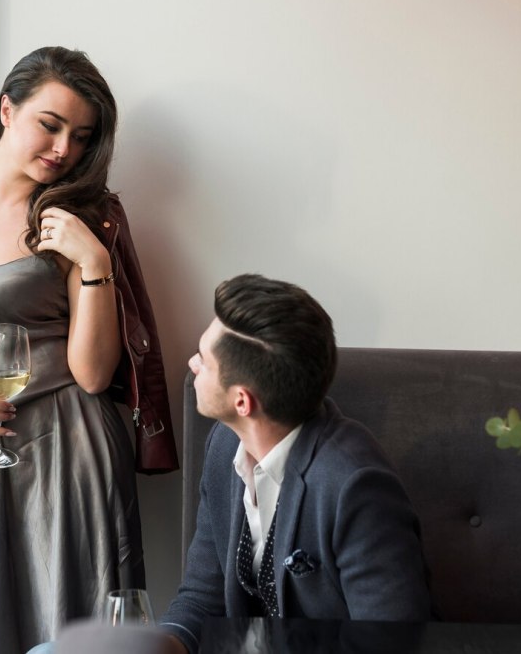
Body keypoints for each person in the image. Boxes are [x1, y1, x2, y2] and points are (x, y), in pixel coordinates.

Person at [0, 46, 177, 653]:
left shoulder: (84, 217)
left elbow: (94, 375)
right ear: (7, 111)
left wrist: (94, 260)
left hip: (68, 448)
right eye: (50, 124)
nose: (64, 149)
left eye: (81, 136)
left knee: (67, 626)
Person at [159, 274, 432, 654]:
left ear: (242, 401)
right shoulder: (224, 446)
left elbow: (392, 644)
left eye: (204, 360)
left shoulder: (354, 485)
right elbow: (201, 599)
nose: (192, 364)